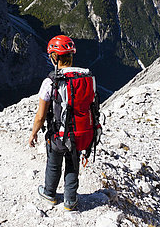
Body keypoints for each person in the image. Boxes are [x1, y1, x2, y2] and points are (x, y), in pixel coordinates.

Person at [28, 35, 99, 211]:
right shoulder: (88, 77)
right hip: (82, 132)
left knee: (54, 163)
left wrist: (33, 133)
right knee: (72, 164)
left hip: (58, 134)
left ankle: (50, 193)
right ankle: (70, 201)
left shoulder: (50, 81)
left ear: (55, 57)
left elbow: (41, 115)